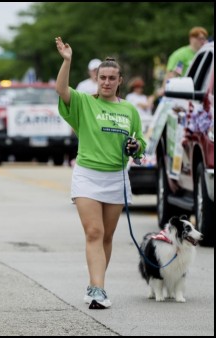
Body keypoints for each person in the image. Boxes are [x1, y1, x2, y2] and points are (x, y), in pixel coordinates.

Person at [54, 37, 146, 309]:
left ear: (120, 80)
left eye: (111, 78)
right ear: (96, 79)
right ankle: (98, 289)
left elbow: (140, 143)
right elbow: (61, 90)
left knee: (106, 236)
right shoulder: (84, 102)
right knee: (94, 232)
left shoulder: (129, 109)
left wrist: (136, 146)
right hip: (87, 176)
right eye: (101, 77)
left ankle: (96, 283)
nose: (106, 82)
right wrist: (67, 61)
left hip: (116, 178)